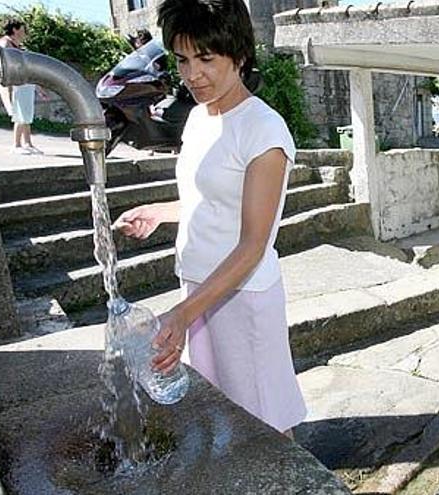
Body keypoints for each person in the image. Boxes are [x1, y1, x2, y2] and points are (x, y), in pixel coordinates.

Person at [114, 0, 306, 436]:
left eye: (206, 58)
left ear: (238, 55)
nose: (192, 74)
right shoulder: (199, 117)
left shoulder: (264, 130)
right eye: (182, 59)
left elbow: (254, 243)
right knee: (224, 412)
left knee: (265, 421)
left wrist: (181, 315)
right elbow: (211, 200)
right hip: (199, 285)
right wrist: (160, 213)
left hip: (241, 294)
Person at [0, 18, 45, 155]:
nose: (25, 32)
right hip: (14, 85)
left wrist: (38, 88)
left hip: (24, 84)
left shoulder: (16, 46)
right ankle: (16, 145)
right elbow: (4, 65)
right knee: (19, 114)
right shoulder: (4, 43)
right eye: (23, 29)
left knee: (26, 114)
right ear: (15, 29)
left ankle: (27, 143)